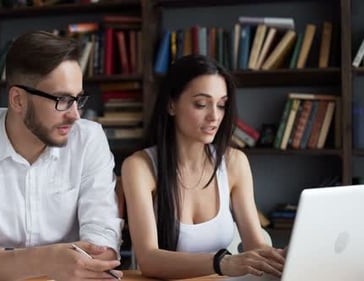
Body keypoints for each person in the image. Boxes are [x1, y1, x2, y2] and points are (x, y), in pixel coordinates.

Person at [0, 30, 124, 281]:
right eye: (63, 100)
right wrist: (51, 260)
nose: (76, 115)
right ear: (18, 100)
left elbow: (103, 248)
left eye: (78, 99)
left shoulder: (89, 139)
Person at [121, 55, 286, 279]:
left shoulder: (234, 162)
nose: (214, 116)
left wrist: (284, 258)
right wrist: (222, 263)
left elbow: (255, 244)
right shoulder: (139, 167)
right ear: (171, 104)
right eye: (201, 104)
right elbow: (149, 259)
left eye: (221, 105)